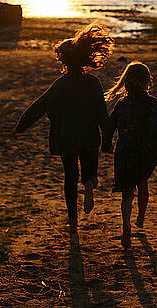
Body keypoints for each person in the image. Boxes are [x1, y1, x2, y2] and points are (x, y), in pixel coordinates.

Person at [10, 23, 114, 233]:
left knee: (69, 177)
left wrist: (20, 127)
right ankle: (89, 184)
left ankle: (73, 219)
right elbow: (103, 114)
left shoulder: (60, 85)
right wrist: (108, 138)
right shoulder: (93, 83)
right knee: (90, 171)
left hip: (66, 138)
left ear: (63, 62)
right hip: (89, 137)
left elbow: (38, 107)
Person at [103, 61, 157, 249]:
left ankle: (126, 226)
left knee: (127, 191)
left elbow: (109, 126)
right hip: (144, 150)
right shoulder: (151, 102)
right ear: (146, 81)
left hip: (124, 150)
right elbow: (155, 124)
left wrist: (107, 145)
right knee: (142, 183)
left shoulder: (121, 103)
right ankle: (140, 217)